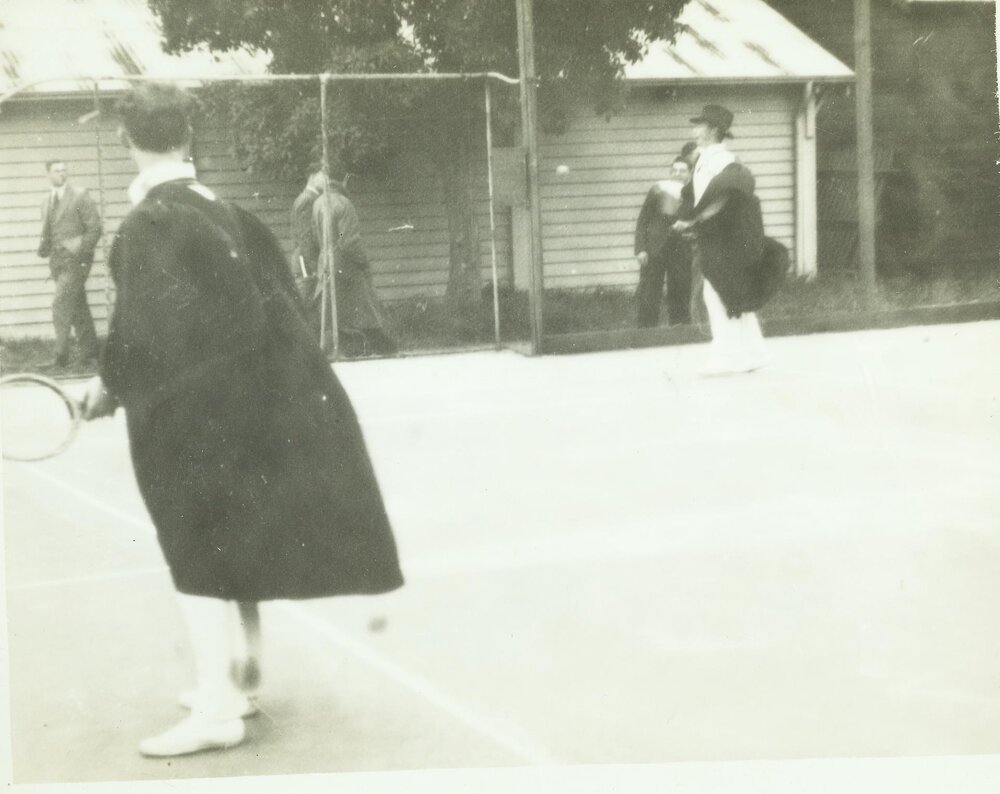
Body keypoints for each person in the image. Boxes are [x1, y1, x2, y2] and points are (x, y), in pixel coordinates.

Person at [80, 83, 404, 757]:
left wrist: (109, 383)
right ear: (189, 135)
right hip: (248, 408)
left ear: (128, 140)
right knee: (231, 543)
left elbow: (145, 325)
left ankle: (219, 710)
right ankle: (240, 682)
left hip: (192, 419)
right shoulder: (222, 209)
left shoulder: (152, 222)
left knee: (196, 550)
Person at [673, 104, 786, 375]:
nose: (694, 131)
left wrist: (693, 219)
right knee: (732, 294)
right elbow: (696, 195)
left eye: (699, 126)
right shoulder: (704, 160)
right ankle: (756, 352)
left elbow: (721, 198)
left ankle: (726, 356)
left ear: (713, 130)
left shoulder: (724, 162)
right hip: (715, 236)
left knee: (717, 295)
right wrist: (687, 215)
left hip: (729, 238)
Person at [294, 168, 397, 356]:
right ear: (343, 182)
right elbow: (348, 240)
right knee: (365, 306)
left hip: (325, 260)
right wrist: (363, 261)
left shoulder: (318, 203)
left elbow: (317, 236)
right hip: (344, 262)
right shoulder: (343, 203)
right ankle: (381, 345)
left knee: (332, 308)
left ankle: (345, 345)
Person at [36, 159, 102, 368]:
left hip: (76, 261)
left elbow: (94, 229)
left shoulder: (80, 195)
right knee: (76, 304)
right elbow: (49, 231)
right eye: (56, 171)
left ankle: (61, 355)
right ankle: (90, 352)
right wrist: (43, 248)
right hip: (57, 262)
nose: (62, 174)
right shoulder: (46, 201)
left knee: (60, 304)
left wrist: (80, 253)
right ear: (48, 174)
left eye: (64, 170)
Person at [634, 155, 694, 327]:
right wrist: (641, 249)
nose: (677, 174)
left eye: (682, 171)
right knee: (649, 294)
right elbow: (643, 220)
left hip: (680, 250)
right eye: (674, 170)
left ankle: (680, 333)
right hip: (654, 249)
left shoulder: (694, 194)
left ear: (689, 173)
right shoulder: (658, 189)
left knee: (680, 292)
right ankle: (646, 334)